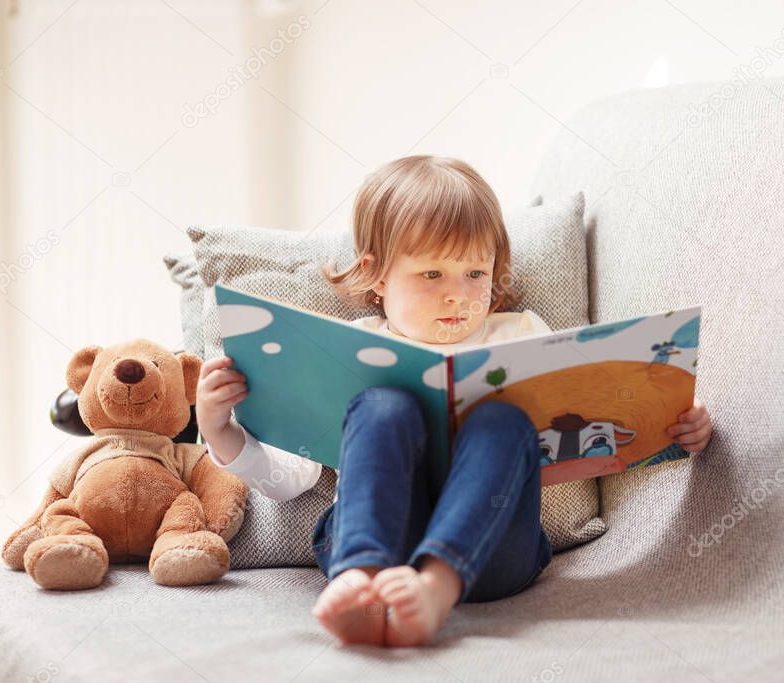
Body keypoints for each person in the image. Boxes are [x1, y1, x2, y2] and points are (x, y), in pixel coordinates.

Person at [195, 155, 713, 647]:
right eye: (431, 274)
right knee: (381, 407)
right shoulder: (346, 349)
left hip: (494, 551)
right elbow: (292, 479)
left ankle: (436, 587)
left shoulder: (523, 335)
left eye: (475, 273)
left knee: (501, 421)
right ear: (377, 274)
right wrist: (221, 430)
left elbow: (585, 440)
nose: (458, 295)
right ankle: (362, 579)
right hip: (373, 539)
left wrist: (672, 426)